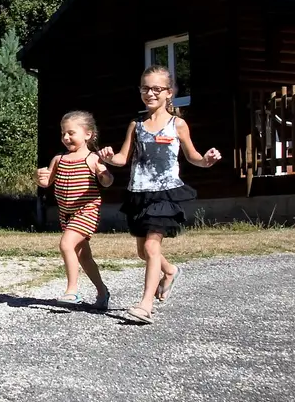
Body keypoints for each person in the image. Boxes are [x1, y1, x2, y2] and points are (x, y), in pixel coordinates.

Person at [97, 65, 221, 324]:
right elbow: (122, 158)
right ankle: (170, 271)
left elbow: (193, 157)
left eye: (156, 89)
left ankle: (146, 305)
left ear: (169, 93)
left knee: (153, 246)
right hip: (138, 193)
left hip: (165, 193)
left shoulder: (178, 124)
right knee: (143, 251)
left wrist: (206, 160)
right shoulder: (137, 124)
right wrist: (108, 158)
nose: (150, 93)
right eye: (145, 88)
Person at [35, 110, 111, 310]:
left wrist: (105, 175)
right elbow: (46, 182)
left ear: (88, 134)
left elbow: (108, 181)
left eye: (71, 133)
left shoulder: (93, 159)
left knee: (66, 245)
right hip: (66, 214)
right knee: (83, 256)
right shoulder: (59, 159)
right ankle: (103, 292)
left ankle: (72, 290)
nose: (66, 137)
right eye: (63, 134)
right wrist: (40, 178)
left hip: (87, 211)